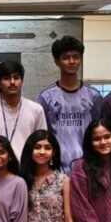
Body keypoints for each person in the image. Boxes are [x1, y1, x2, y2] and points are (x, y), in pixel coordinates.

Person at [37, 37, 103, 174]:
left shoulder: (93, 96)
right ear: (57, 61)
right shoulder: (46, 97)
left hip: (89, 167)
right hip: (57, 168)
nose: (72, 61)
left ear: (81, 59)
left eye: (76, 57)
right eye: (66, 57)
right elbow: (43, 135)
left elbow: (99, 132)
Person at [0, 60, 47, 160]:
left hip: (27, 166)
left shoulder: (36, 109)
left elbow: (42, 143)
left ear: (22, 81)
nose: (12, 82)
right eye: (7, 78)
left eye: (16, 77)